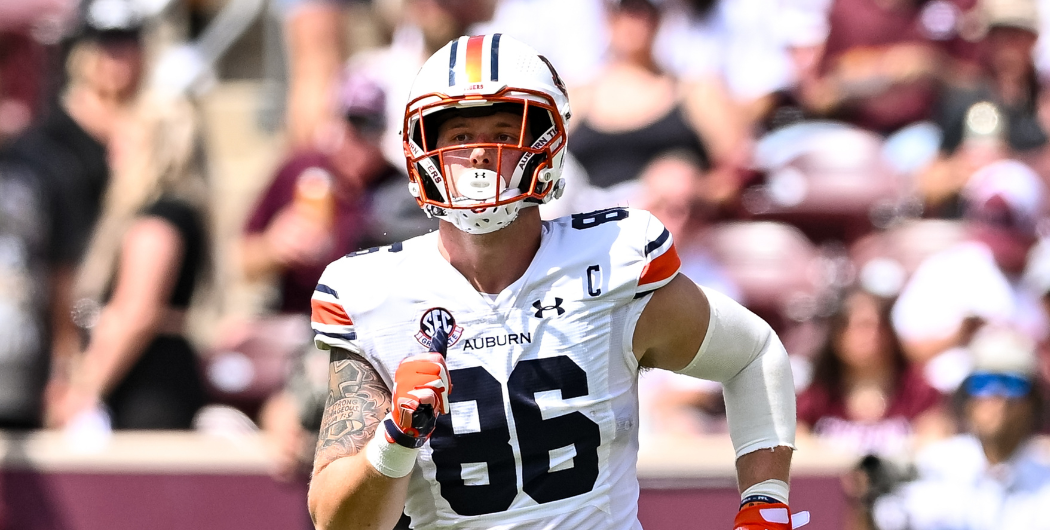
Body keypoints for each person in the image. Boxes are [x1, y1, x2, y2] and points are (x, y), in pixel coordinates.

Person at [307, 34, 806, 529]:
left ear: (548, 144)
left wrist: (764, 504)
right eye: (459, 137)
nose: (480, 153)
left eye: (503, 132)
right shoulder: (371, 292)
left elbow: (753, 354)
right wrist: (393, 441)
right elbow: (336, 521)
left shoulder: (612, 261)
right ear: (421, 149)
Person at [47, 92, 210, 430]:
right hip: (153, 379)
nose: (111, 154)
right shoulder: (178, 213)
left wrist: (85, 391)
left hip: (149, 389)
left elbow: (136, 313)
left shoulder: (159, 220)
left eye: (123, 143)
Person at [871, 325, 1050, 530]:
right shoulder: (933, 466)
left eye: (1013, 383)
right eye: (982, 382)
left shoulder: (1045, 482)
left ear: (1034, 401)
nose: (998, 397)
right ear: (966, 397)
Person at [797, 287, 947, 457]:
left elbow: (934, 440)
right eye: (862, 326)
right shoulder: (818, 395)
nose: (873, 335)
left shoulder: (917, 392)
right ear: (838, 335)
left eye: (880, 326)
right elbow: (794, 442)